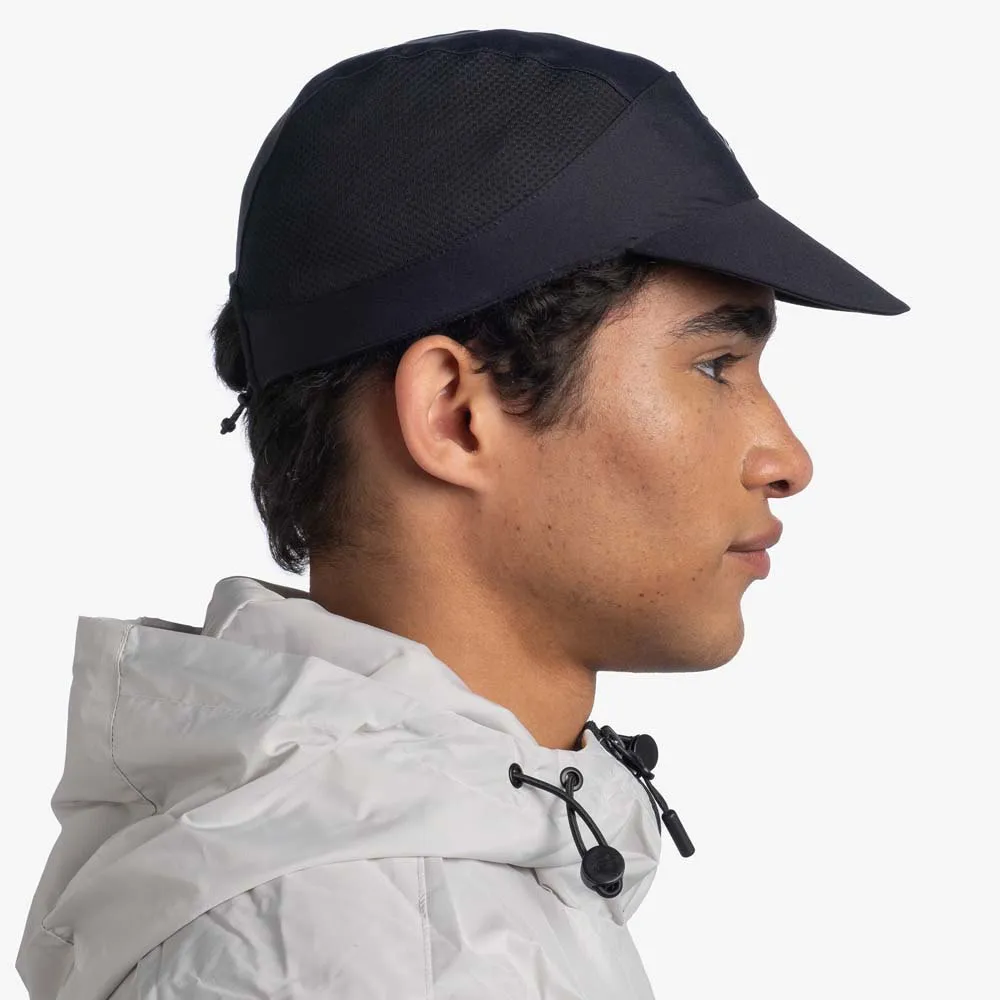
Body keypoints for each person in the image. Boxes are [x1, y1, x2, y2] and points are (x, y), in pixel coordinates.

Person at [16, 27, 909, 1000]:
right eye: (714, 365)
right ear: (454, 412)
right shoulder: (390, 950)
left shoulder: (416, 874)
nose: (786, 460)